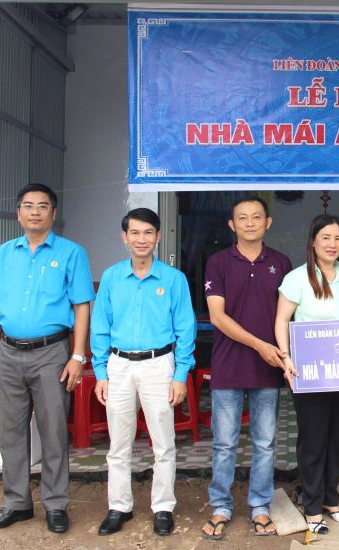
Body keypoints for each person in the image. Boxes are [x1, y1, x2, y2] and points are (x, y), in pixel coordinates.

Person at [0, 183, 94, 534]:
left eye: (43, 206)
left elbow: (82, 305)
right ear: (18, 213)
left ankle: (55, 504)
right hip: (9, 352)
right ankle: (16, 502)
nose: (35, 212)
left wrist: (77, 355)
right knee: (10, 432)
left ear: (53, 214)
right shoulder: (5, 253)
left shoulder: (71, 253)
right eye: (28, 206)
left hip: (51, 353)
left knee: (53, 430)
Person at [90, 208, 196, 537]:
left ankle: (163, 507)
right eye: (134, 233)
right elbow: (100, 325)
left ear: (158, 237)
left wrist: (180, 374)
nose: (141, 239)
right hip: (119, 365)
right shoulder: (110, 277)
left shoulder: (173, 279)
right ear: (124, 237)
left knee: (163, 442)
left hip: (158, 365)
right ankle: (119, 506)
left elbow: (185, 328)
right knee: (118, 444)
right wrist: (100, 370)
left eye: (148, 232)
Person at [200, 196, 292, 540]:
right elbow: (217, 317)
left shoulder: (282, 263)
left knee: (265, 442)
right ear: (231, 225)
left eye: (256, 217)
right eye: (242, 218)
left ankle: (260, 506)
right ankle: (221, 505)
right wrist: (260, 345)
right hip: (228, 365)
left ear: (268, 223)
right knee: (224, 443)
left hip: (269, 369)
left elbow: (290, 315)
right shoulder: (218, 262)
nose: (250, 223)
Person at [274, 214, 339, 535]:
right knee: (313, 441)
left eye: (338, 238)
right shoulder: (297, 278)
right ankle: (312, 507)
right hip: (309, 374)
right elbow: (282, 320)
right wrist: (285, 358)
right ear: (313, 241)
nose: (332, 244)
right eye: (326, 237)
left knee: (338, 439)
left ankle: (330, 499)